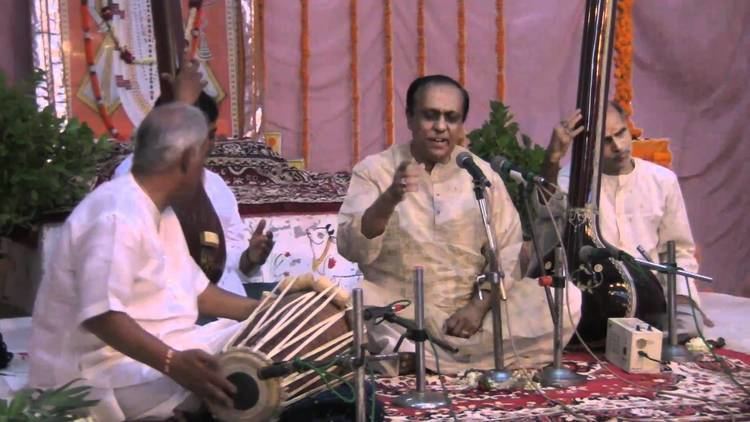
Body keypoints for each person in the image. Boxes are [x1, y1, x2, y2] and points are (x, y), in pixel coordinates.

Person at [337, 75, 580, 374]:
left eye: (451, 118)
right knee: (362, 302)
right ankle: (455, 357)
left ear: (461, 125)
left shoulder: (479, 173)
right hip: (403, 310)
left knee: (564, 298)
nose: (441, 126)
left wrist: (478, 306)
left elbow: (508, 248)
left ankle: (421, 358)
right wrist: (390, 196)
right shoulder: (375, 170)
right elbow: (351, 247)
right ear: (410, 118)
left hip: (472, 317)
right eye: (430, 116)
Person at [28, 104, 258, 420]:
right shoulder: (117, 214)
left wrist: (269, 311)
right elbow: (103, 314)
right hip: (98, 376)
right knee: (253, 359)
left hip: (157, 356)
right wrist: (173, 363)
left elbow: (197, 292)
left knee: (263, 337)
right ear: (188, 158)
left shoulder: (159, 211)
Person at [537, 102, 710, 341]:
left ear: (629, 127)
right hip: (595, 297)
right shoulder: (572, 180)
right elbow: (546, 215)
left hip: (649, 296)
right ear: (589, 145)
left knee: (688, 329)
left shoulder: (662, 181)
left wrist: (681, 298)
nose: (618, 146)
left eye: (620, 133)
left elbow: (679, 251)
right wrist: (552, 159)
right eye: (606, 141)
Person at [114, 59, 274, 298]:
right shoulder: (131, 176)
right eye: (204, 134)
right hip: (171, 312)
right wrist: (181, 105)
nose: (211, 143)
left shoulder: (217, 187)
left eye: (212, 134)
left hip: (224, 306)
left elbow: (226, 268)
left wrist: (250, 258)